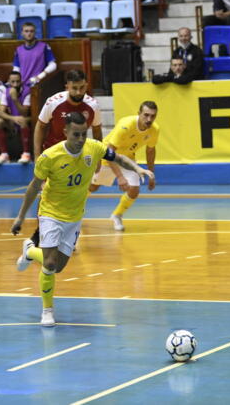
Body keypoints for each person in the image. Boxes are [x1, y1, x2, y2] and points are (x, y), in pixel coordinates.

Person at [10, 111, 154, 326]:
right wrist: (20, 217)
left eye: (83, 134)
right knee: (49, 263)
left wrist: (137, 168)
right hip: (50, 213)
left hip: (75, 216)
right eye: (75, 134)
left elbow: (118, 157)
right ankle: (47, 311)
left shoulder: (93, 147)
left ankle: (30, 251)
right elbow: (33, 188)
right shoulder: (50, 156)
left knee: (58, 267)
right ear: (65, 132)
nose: (80, 139)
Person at [30, 69, 103, 246]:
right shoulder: (53, 102)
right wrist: (38, 154)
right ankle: (40, 233)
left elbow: (97, 131)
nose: (78, 92)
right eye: (74, 88)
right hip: (53, 155)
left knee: (75, 194)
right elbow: (40, 126)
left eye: (82, 88)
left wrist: (98, 159)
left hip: (77, 156)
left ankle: (68, 234)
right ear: (67, 86)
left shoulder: (92, 105)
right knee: (46, 194)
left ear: (86, 85)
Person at [89, 101, 159, 231]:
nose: (149, 119)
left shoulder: (154, 130)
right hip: (107, 156)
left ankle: (117, 215)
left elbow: (150, 150)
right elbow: (109, 152)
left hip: (127, 159)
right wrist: (120, 177)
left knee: (134, 189)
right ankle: (74, 209)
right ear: (139, 114)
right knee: (93, 187)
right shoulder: (126, 125)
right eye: (146, 115)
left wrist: (151, 174)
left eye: (153, 116)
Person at [0, 71, 31, 164]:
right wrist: (13, 118)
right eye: (13, 82)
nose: (15, 84)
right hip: (14, 119)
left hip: (28, 118)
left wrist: (15, 99)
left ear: (21, 81)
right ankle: (4, 154)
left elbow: (24, 113)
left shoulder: (27, 91)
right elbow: (1, 113)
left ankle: (26, 153)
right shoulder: (6, 92)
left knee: (22, 120)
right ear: (9, 82)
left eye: (18, 81)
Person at [12, 22, 57, 88]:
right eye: (26, 31)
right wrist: (15, 81)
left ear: (35, 33)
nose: (29, 34)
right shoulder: (18, 49)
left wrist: (40, 76)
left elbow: (53, 65)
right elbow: (16, 68)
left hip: (36, 84)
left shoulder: (44, 46)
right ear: (22, 33)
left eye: (31, 31)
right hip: (21, 84)